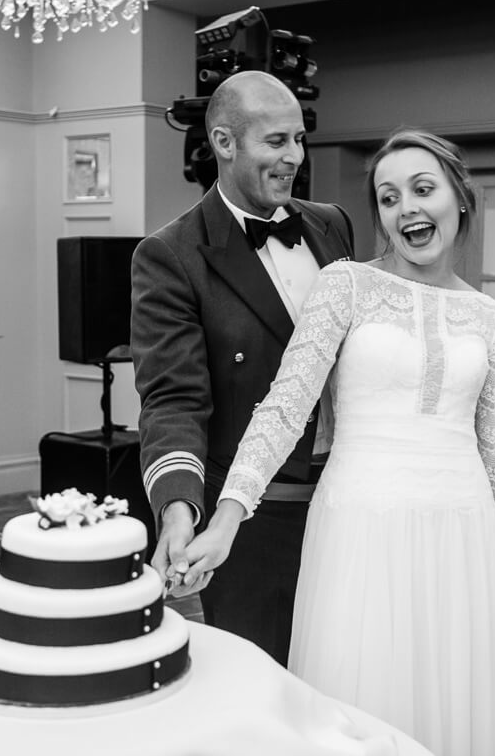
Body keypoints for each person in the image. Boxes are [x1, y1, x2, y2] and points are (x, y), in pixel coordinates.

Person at [182, 129, 495, 754]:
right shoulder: (345, 286)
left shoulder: (491, 317)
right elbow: (284, 408)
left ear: (460, 198)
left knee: (454, 707)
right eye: (390, 198)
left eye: (423, 190)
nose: (408, 210)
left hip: (464, 536)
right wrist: (227, 517)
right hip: (360, 530)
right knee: (360, 711)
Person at [130, 71, 354, 666]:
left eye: (300, 140)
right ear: (225, 144)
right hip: (257, 520)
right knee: (267, 682)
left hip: (352, 501)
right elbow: (173, 399)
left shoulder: (332, 224)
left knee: (351, 674)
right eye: (276, 142)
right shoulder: (170, 256)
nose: (294, 158)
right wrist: (179, 507)